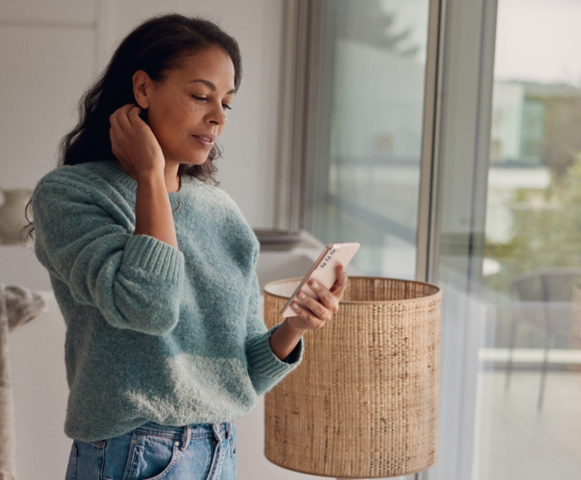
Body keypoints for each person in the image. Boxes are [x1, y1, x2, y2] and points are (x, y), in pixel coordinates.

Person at [28, 13, 348, 480]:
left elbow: (239, 376)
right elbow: (149, 308)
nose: (217, 116)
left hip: (218, 448)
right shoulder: (70, 194)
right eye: (200, 96)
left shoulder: (222, 213)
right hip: (133, 452)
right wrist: (150, 176)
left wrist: (294, 327)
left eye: (227, 103)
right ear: (143, 90)